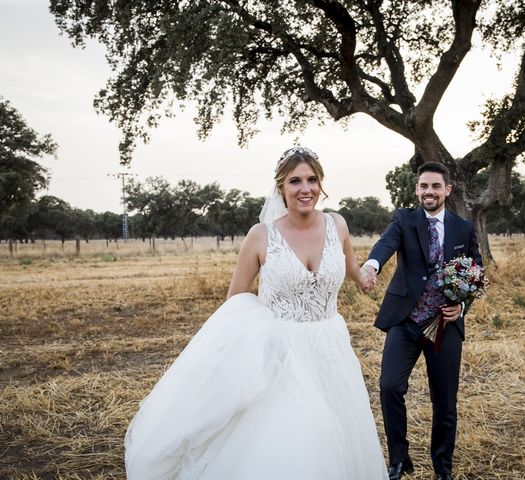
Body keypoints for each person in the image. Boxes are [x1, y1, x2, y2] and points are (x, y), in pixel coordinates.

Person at [124, 147, 388, 480]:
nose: (305, 188)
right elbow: (236, 299)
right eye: (295, 181)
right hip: (280, 353)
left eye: (312, 179)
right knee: (299, 436)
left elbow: (351, 265)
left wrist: (365, 276)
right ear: (281, 188)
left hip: (330, 348)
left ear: (321, 184)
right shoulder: (261, 236)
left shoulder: (338, 225)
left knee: (337, 433)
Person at [361, 162, 482, 480]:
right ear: (417, 189)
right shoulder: (404, 219)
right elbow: (386, 244)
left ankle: (443, 467)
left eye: (435, 187)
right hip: (406, 320)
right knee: (389, 387)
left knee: (445, 401)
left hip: (445, 324)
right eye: (424, 186)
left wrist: (463, 307)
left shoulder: (463, 228)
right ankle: (399, 459)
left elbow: (476, 273)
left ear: (447, 190)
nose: (429, 192)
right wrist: (372, 265)